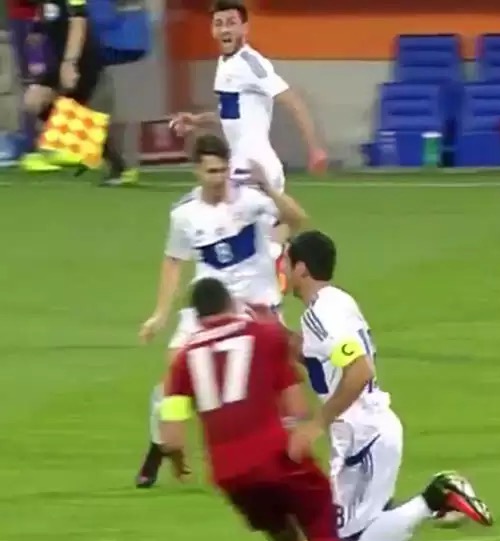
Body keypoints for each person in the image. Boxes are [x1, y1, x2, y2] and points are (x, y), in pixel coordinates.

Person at [285, 230, 494, 541]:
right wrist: (270, 333)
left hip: (362, 438)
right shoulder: (335, 303)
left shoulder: (321, 313)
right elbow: (319, 357)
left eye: (287, 262)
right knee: (380, 528)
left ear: (302, 268)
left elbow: (358, 370)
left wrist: (317, 424)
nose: (283, 270)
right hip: (372, 431)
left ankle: (438, 495)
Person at [158, 277, 374, 541]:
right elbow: (296, 405)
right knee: (321, 520)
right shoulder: (264, 335)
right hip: (275, 454)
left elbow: (171, 437)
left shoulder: (183, 360)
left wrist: (179, 464)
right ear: (231, 304)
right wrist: (301, 433)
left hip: (230, 473)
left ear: (197, 316)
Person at [135, 133, 306, 487]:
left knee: (280, 377)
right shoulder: (184, 214)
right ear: (197, 171)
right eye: (211, 171)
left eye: (223, 170)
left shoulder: (251, 199)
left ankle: (285, 455)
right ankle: (160, 447)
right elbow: (173, 261)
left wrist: (269, 188)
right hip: (209, 304)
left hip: (257, 304)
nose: (218, 178)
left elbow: (298, 219)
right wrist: (160, 313)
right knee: (175, 373)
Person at [170, 0, 326, 286]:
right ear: (212, 30)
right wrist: (197, 121)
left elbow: (293, 101)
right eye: (219, 24)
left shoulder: (251, 63)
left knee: (239, 238)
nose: (225, 29)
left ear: (245, 27)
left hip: (255, 166)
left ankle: (281, 266)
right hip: (239, 165)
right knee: (250, 241)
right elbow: (233, 116)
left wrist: (314, 147)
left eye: (231, 23)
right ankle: (278, 263)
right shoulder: (226, 63)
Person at [19, 0, 134, 183]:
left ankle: (116, 165)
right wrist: (35, 36)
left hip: (82, 60)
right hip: (61, 61)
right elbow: (47, 19)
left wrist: (70, 63)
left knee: (53, 105)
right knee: (36, 101)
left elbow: (78, 21)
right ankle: (116, 165)